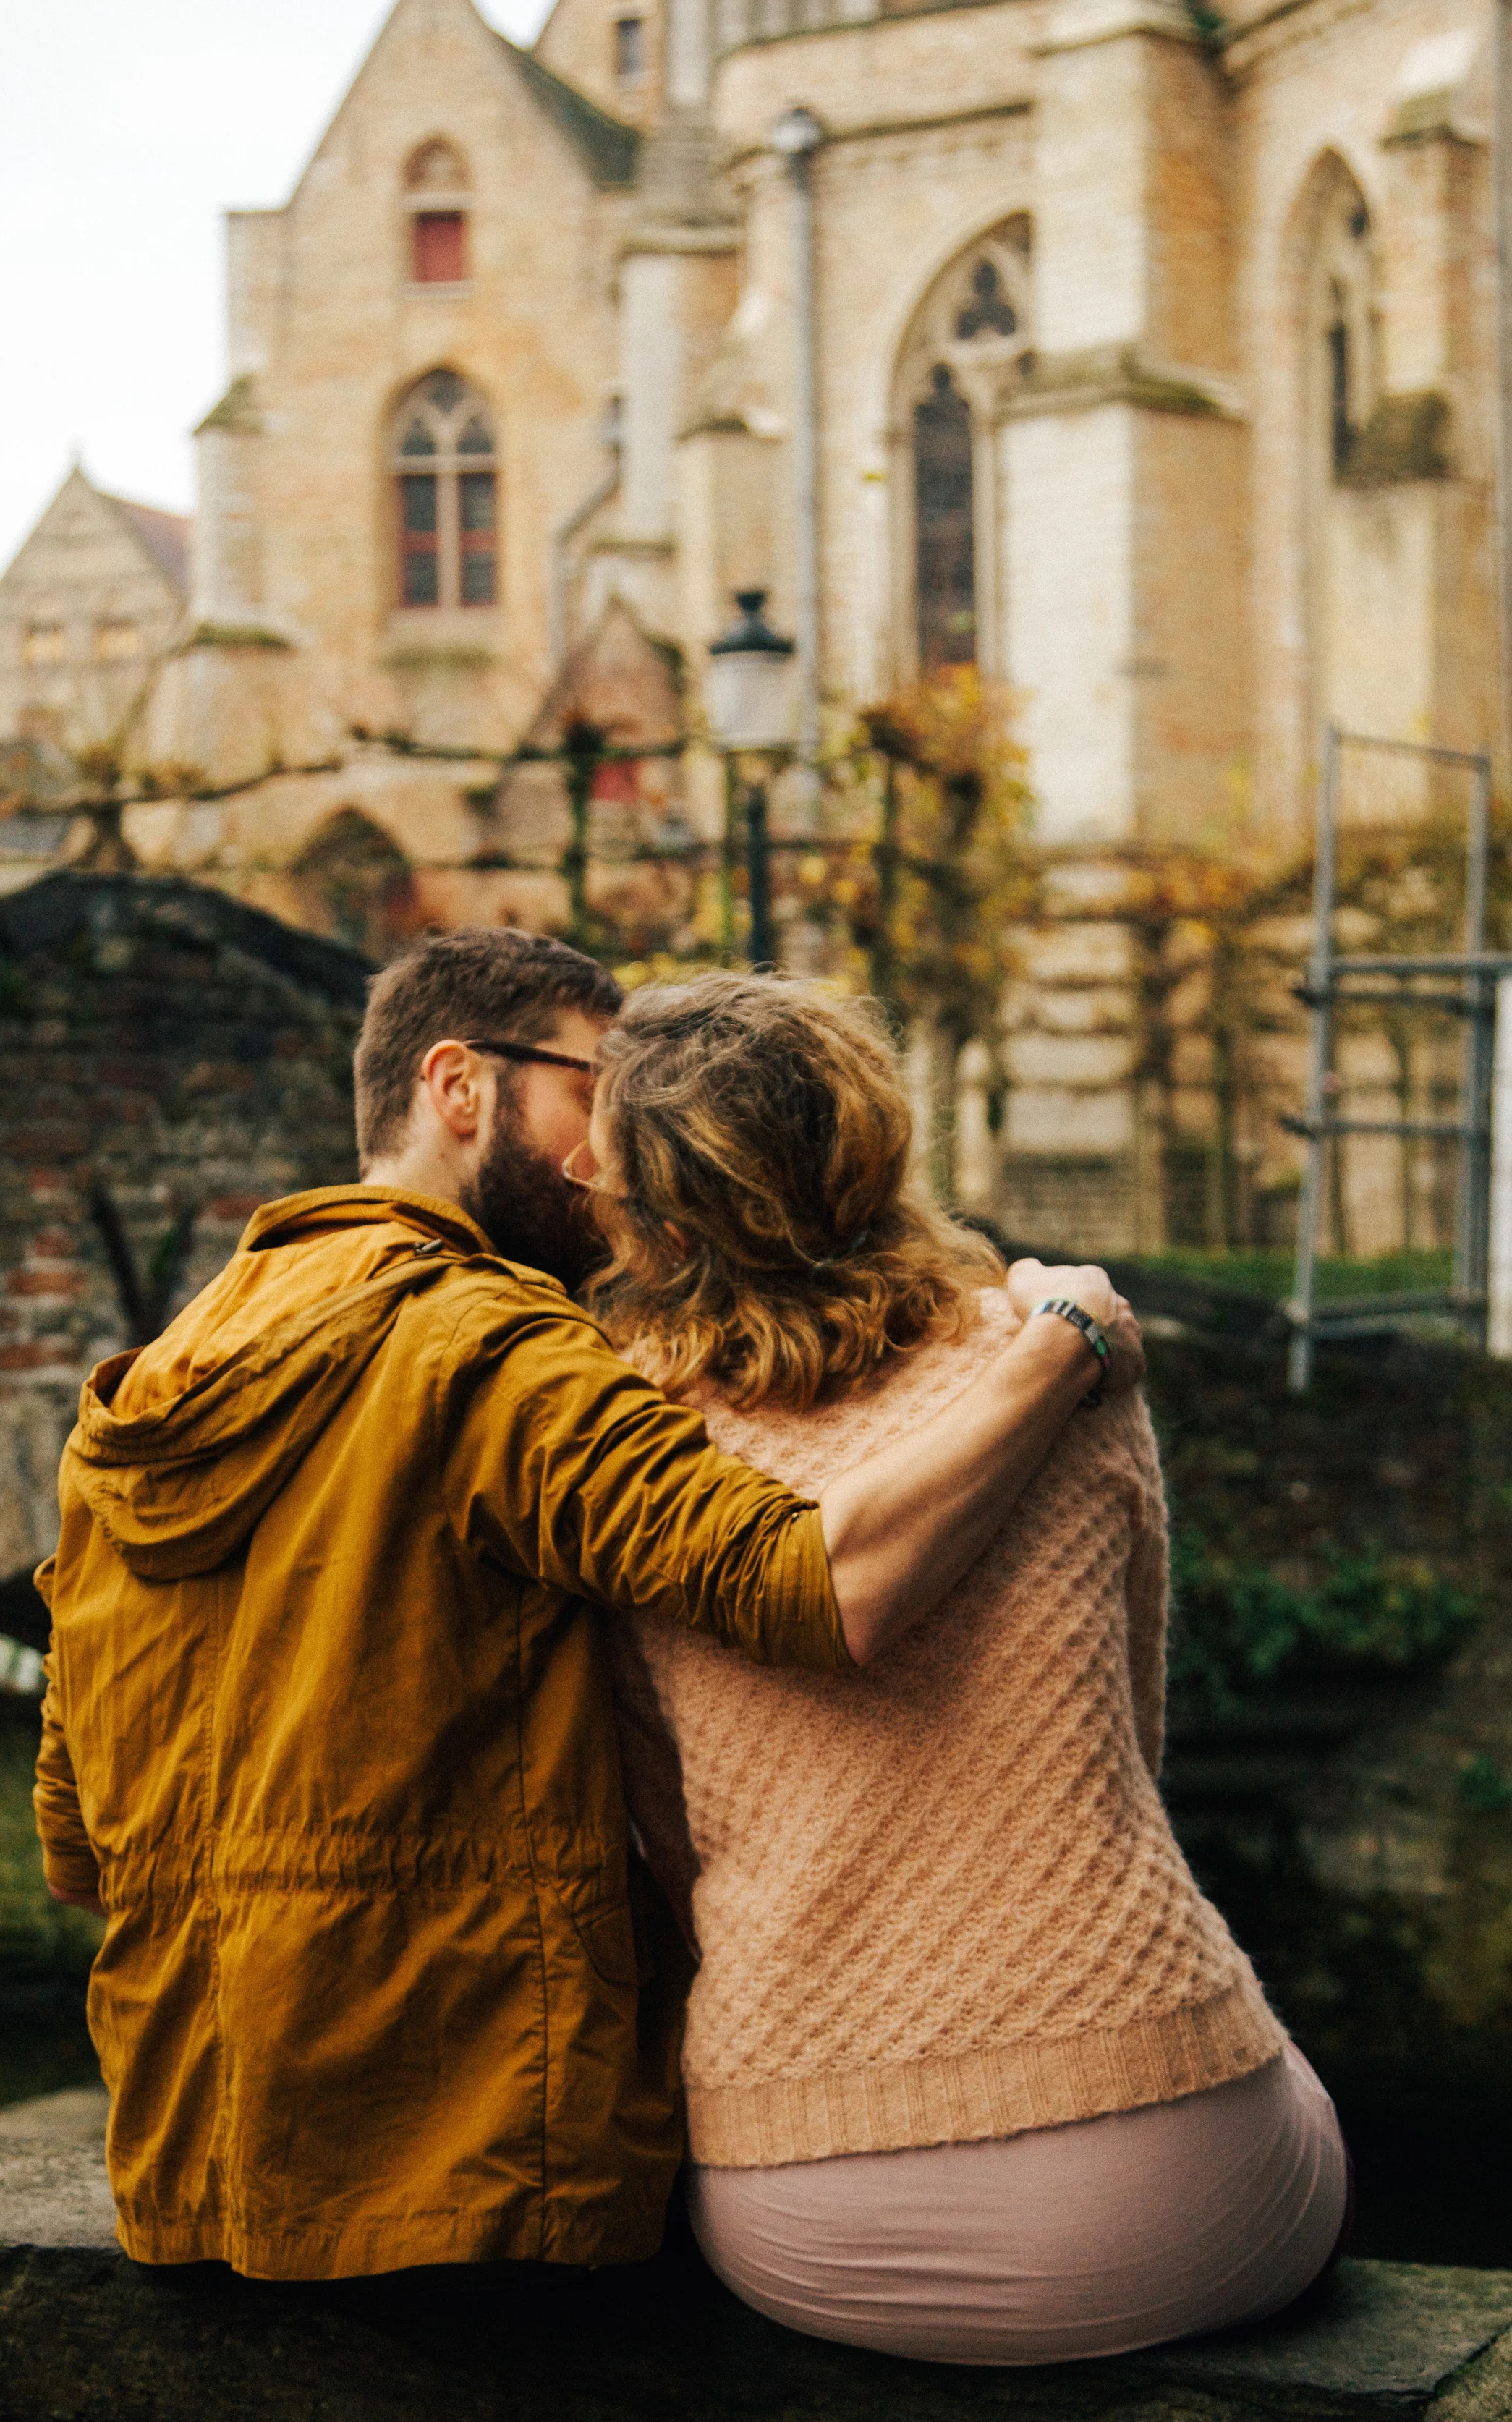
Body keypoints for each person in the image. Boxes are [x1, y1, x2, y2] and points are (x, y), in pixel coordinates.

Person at [33, 927, 1142, 2283]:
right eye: (587, 1088)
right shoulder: (495, 1349)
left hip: (194, 2176)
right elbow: (810, 1578)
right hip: (471, 2177)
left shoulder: (152, 1379)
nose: (600, 1155)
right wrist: (1063, 1346)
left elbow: (75, 1840)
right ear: (460, 1087)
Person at [586, 970, 1350, 2366]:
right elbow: (1129, 1730)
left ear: (647, 1199)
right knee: (1295, 2105)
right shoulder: (1059, 1360)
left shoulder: (624, 1450)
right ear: (878, 1137)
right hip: (1169, 2173)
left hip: (802, 2202)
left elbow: (661, 1833)